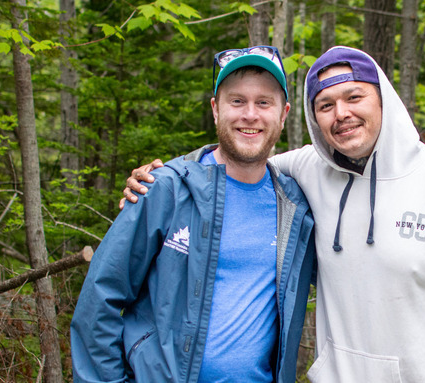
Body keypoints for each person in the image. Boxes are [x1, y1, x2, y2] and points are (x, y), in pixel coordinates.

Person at [123, 46, 425, 382]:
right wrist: (164, 176)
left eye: (354, 97)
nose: (341, 114)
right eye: (325, 105)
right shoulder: (305, 170)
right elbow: (240, 153)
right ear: (313, 118)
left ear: (383, 101)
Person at [71, 45, 317, 383]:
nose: (250, 114)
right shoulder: (166, 190)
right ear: (216, 109)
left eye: (263, 102)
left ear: (283, 113)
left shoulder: (297, 208)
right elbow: (100, 300)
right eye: (236, 101)